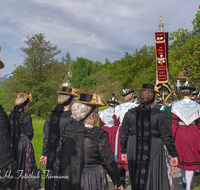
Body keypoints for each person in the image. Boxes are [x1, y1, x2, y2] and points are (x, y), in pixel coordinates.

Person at [54, 93, 124, 190]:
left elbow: (59, 160)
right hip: (92, 178)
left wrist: (57, 182)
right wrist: (117, 183)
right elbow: (108, 161)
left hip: (70, 177)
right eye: (97, 113)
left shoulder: (67, 131)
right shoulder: (98, 134)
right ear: (91, 116)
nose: (98, 116)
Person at [120, 84, 178, 190]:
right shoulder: (159, 114)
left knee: (138, 176)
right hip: (154, 146)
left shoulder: (129, 114)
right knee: (154, 175)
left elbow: (123, 134)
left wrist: (123, 151)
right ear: (153, 98)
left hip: (134, 145)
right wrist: (174, 154)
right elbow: (167, 137)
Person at [40, 87, 78, 190]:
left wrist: (44, 153)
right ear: (70, 101)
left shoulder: (51, 116)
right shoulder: (73, 117)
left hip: (53, 152)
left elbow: (47, 137)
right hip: (68, 152)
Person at [171, 81, 200, 190]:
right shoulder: (197, 105)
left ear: (181, 92)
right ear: (192, 92)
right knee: (191, 158)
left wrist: (172, 137)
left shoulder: (175, 105)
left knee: (181, 156)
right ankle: (188, 186)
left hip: (180, 132)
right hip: (193, 131)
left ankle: (184, 180)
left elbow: (174, 123)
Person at [9, 92, 38, 190]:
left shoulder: (10, 116)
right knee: (26, 168)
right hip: (24, 144)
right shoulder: (26, 116)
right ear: (25, 105)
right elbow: (30, 133)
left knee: (14, 167)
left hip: (12, 144)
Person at [113, 87, 139, 187]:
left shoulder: (118, 107)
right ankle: (135, 181)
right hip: (133, 131)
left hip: (122, 130)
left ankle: (122, 182)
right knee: (134, 155)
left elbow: (115, 121)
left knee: (121, 156)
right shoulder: (137, 106)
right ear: (132, 96)